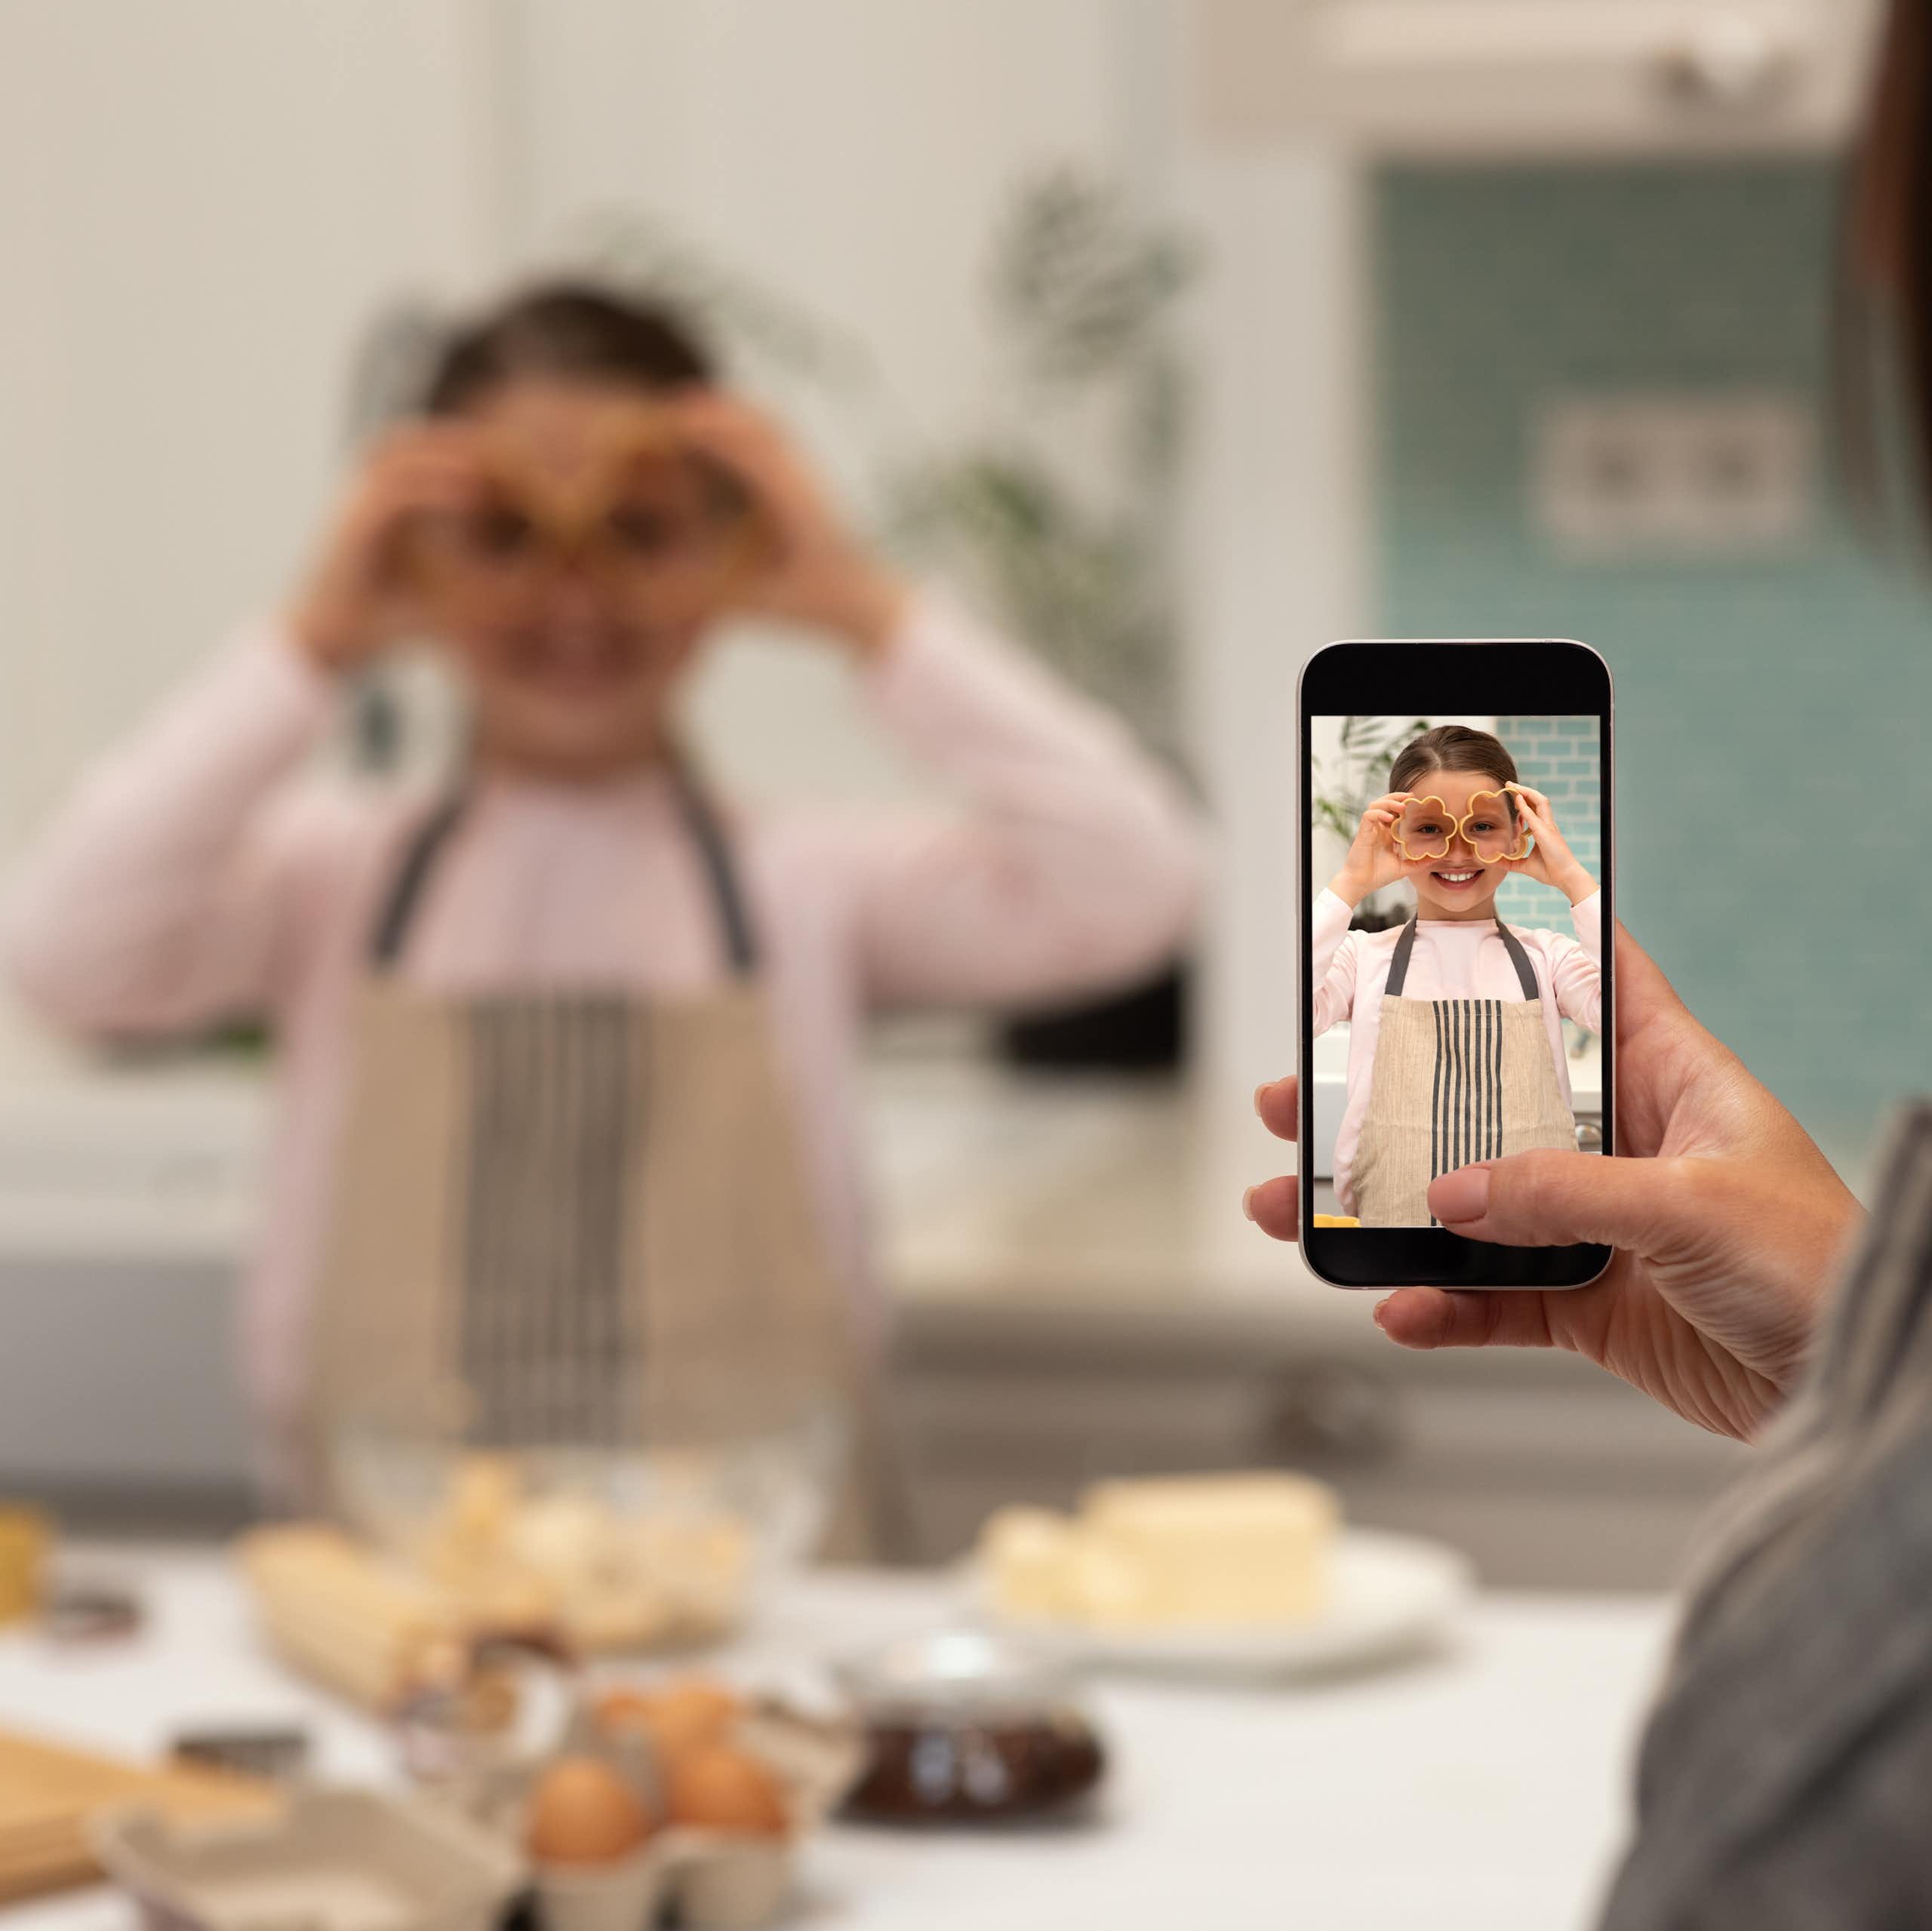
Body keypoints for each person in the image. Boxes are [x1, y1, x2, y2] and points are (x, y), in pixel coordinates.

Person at [3, 282, 1201, 1545]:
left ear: (732, 545)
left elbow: (1140, 884)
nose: (575, 594)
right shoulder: (326, 874)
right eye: (503, 535)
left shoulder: (806, 879)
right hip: (396, 1602)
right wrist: (314, 638)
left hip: (761, 1613)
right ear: (412, 548)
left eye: (639, 531)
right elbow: (67, 953)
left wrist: (861, 605)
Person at [1248, 5, 1932, 1917]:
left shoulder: (1541, 948)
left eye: (1495, 826)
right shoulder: (1367, 931)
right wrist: (1842, 1363)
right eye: (1423, 826)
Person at [1314, 724, 1600, 1226]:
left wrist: (1572, 877)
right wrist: (1350, 883)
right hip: (1395, 1244)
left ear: (1519, 834)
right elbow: (1289, 1014)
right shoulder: (1363, 957)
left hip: (1531, 1249)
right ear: (1396, 833)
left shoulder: (1547, 959)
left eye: (1483, 827)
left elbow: (1630, 1013)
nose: (1458, 852)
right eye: (1430, 828)